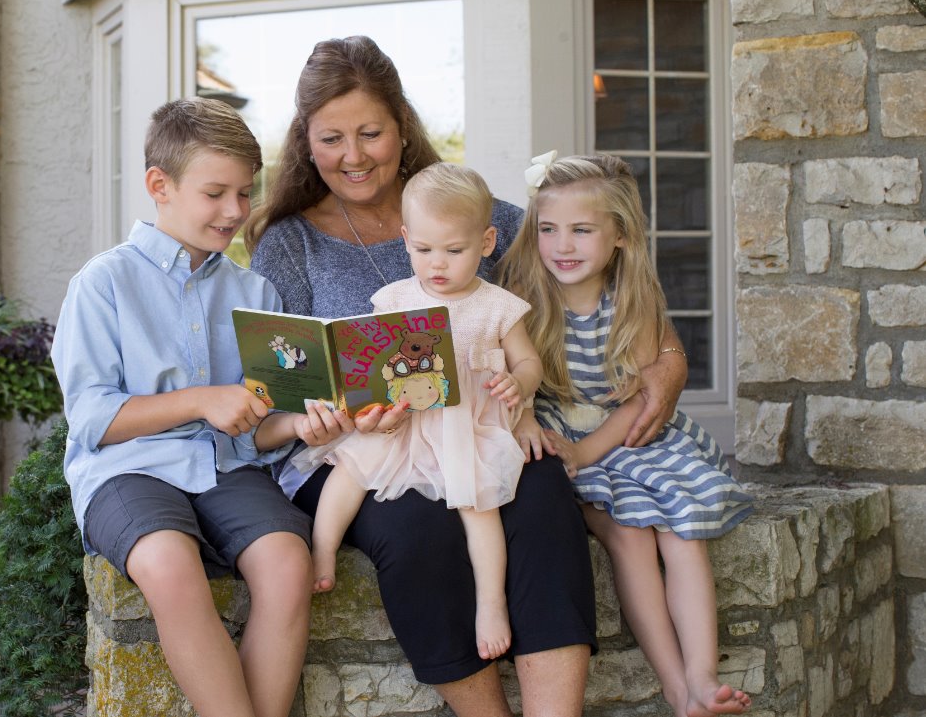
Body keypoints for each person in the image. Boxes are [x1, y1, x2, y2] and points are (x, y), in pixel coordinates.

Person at [246, 35, 689, 717]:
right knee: (419, 532)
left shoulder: (477, 214)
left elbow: (597, 272)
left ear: (402, 126)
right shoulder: (289, 246)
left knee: (542, 498)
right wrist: (322, 414)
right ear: (306, 141)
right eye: (332, 137)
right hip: (361, 450)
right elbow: (274, 396)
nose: (354, 155)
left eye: (371, 131)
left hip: (481, 427)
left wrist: (669, 359)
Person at [54, 97, 340, 717]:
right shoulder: (102, 283)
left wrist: (302, 422)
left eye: (245, 192)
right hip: (125, 471)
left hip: (225, 470)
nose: (235, 211)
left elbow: (253, 428)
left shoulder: (254, 292)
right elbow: (93, 420)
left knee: (288, 564)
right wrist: (203, 400)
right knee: (168, 564)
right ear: (161, 185)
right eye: (216, 193)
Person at [499, 151, 753, 717]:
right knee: (630, 537)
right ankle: (674, 685)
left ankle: (703, 676)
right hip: (558, 433)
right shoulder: (520, 301)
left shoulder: (631, 305)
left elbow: (640, 401)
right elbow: (504, 382)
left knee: (683, 533)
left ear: (618, 235)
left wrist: (584, 453)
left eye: (582, 230)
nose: (563, 246)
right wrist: (534, 431)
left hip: (624, 438)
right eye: (549, 229)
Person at [292, 162, 542, 663]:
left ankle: (490, 605)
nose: (438, 264)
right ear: (405, 240)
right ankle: (322, 548)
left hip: (466, 426)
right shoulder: (394, 298)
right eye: (424, 250)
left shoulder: (497, 306)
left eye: (455, 250)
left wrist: (519, 383)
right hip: (404, 417)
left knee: (479, 510)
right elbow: (376, 361)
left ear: (487, 241)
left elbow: (529, 360)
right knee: (349, 468)